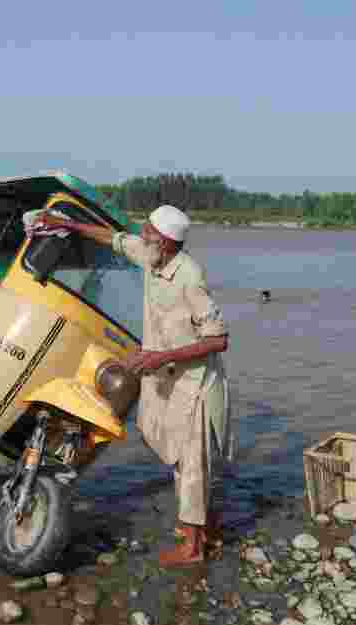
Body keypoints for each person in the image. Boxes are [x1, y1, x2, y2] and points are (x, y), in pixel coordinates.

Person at [38, 205, 231, 567]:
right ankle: (208, 526)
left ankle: (192, 548)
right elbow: (113, 239)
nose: (143, 237)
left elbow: (218, 340)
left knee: (189, 463)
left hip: (195, 384)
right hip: (166, 376)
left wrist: (161, 357)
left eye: (150, 234)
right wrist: (67, 224)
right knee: (162, 439)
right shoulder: (151, 255)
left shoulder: (190, 276)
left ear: (169, 243)